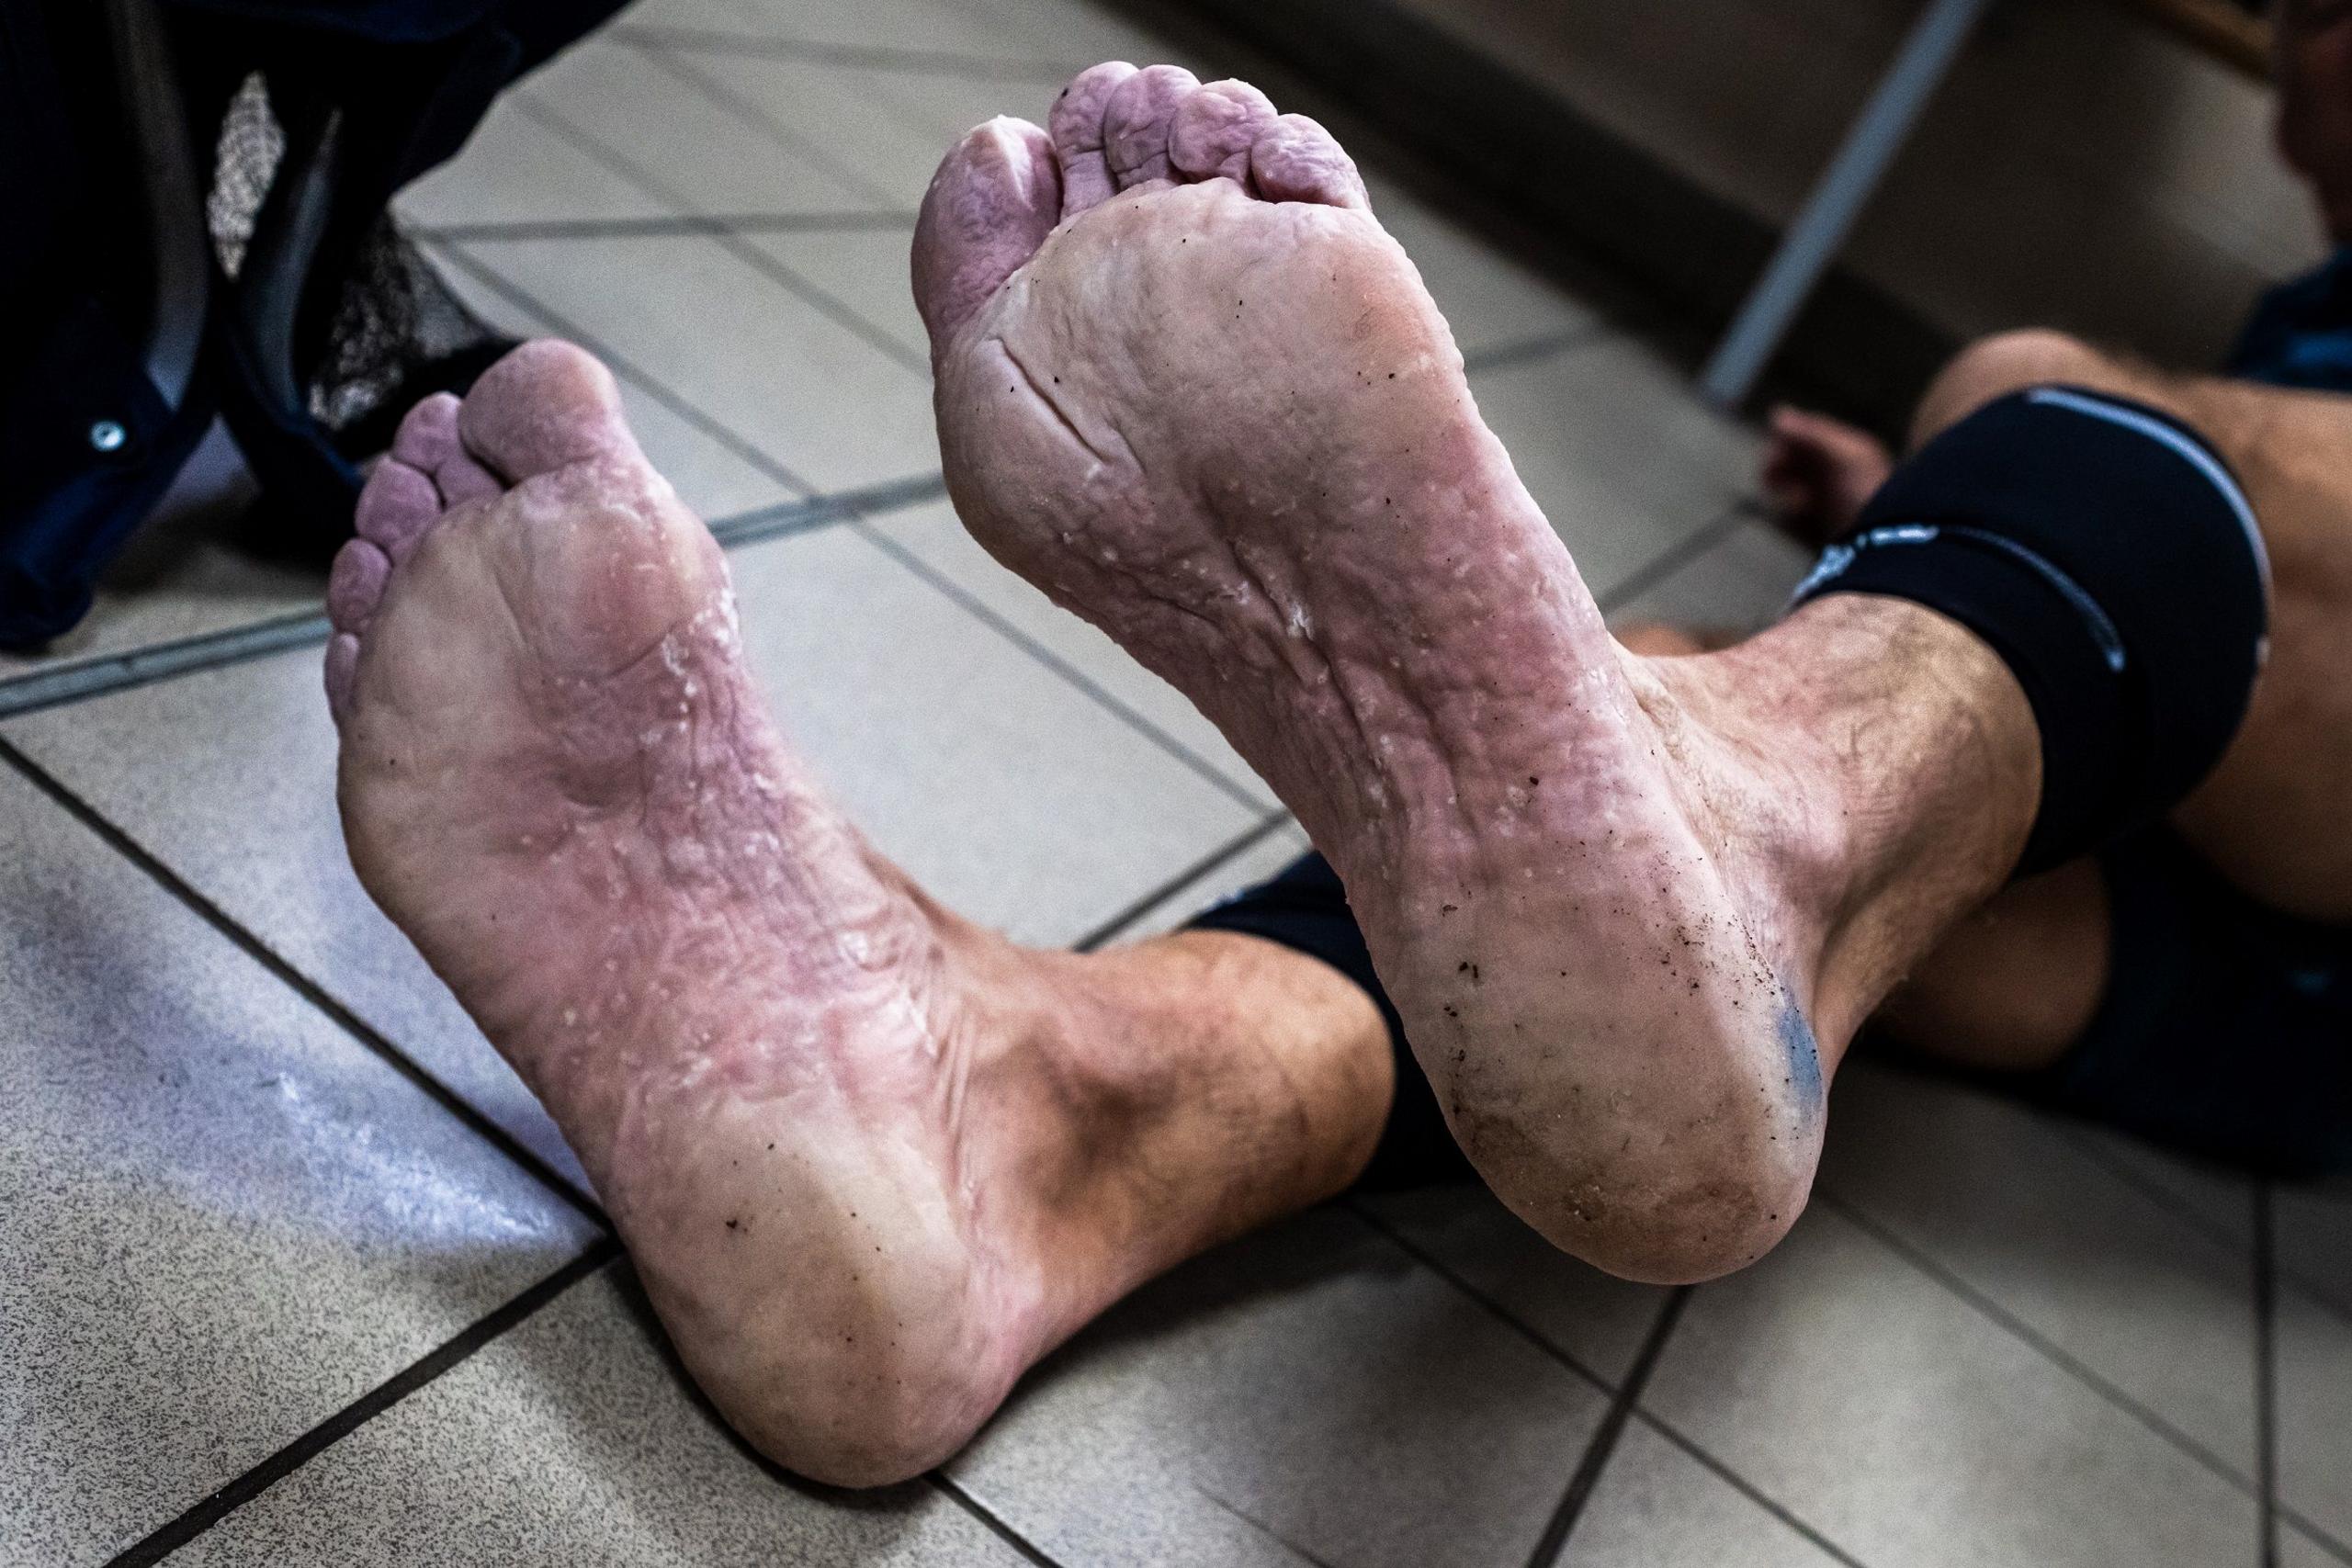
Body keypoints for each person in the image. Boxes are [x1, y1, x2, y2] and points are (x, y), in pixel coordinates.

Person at [320, 62, 2337, 1495]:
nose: (2280, 78)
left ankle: (1783, 804)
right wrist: (1944, 523)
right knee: (1597, 841)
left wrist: (2041, 448)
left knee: (2041, 400)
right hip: (2200, 949)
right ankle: (1021, 1128)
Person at [1766, 0, 2352, 536]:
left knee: (2009, 376)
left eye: (2311, 15)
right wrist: (1896, 511)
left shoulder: (2318, 358)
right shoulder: (2307, 316)